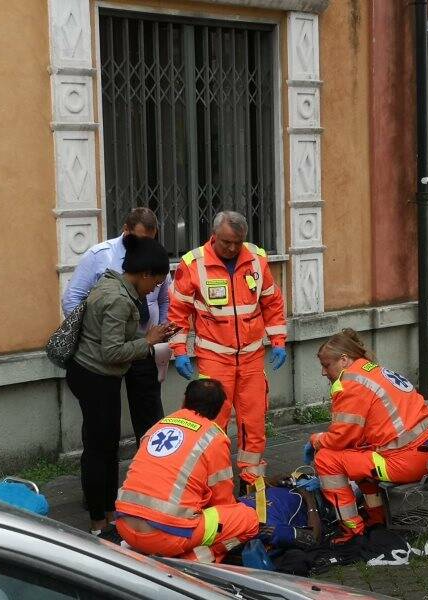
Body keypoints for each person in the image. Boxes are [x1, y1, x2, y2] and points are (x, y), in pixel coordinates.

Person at [65, 234, 179, 535]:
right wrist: (148, 341)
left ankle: (108, 512)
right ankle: (98, 522)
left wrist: (150, 337)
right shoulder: (119, 300)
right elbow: (111, 352)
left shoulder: (112, 283)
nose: (155, 290)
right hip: (96, 376)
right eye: (154, 283)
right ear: (144, 274)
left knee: (103, 447)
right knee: (100, 450)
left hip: (93, 373)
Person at [167, 211, 287, 485]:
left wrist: (278, 341)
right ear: (214, 236)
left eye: (238, 242)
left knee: (253, 420)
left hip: (251, 356)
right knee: (212, 420)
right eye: (226, 242)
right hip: (214, 357)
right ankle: (212, 479)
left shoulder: (256, 259)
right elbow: (177, 313)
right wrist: (180, 352)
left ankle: (251, 480)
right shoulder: (193, 264)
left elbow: (272, 302)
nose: (232, 248)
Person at [305, 329, 428, 544]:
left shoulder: (350, 383)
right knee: (356, 455)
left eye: (326, 365)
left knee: (326, 460)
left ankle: (351, 532)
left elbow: (340, 438)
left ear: (344, 360)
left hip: (405, 461)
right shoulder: (373, 370)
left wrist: (316, 440)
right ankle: (376, 519)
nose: (323, 372)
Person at [115, 379, 259, 563]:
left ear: (184, 401)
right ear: (218, 410)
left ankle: (142, 550)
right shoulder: (213, 437)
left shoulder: (159, 426)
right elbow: (222, 501)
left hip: (124, 525)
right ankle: (190, 561)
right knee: (247, 520)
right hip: (166, 535)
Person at [62, 208, 171, 446]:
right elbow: (73, 298)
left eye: (150, 241)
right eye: (140, 239)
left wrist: (161, 333)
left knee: (150, 417)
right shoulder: (100, 255)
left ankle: (153, 469)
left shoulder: (155, 258)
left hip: (145, 346)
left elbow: (164, 298)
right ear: (126, 230)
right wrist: (90, 337)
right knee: (103, 427)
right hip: (107, 352)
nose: (146, 246)